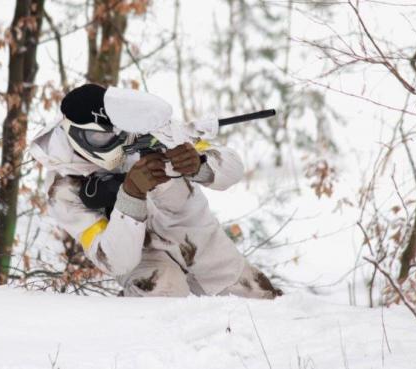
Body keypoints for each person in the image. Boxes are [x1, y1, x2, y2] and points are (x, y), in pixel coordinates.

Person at [29, 84, 282, 298]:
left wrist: (200, 165)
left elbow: (233, 168)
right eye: (101, 140)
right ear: (73, 133)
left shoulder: (148, 129)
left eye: (119, 134)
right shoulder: (64, 189)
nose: (117, 145)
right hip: (145, 264)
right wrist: (131, 195)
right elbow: (116, 261)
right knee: (165, 307)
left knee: (264, 312)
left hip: (202, 243)